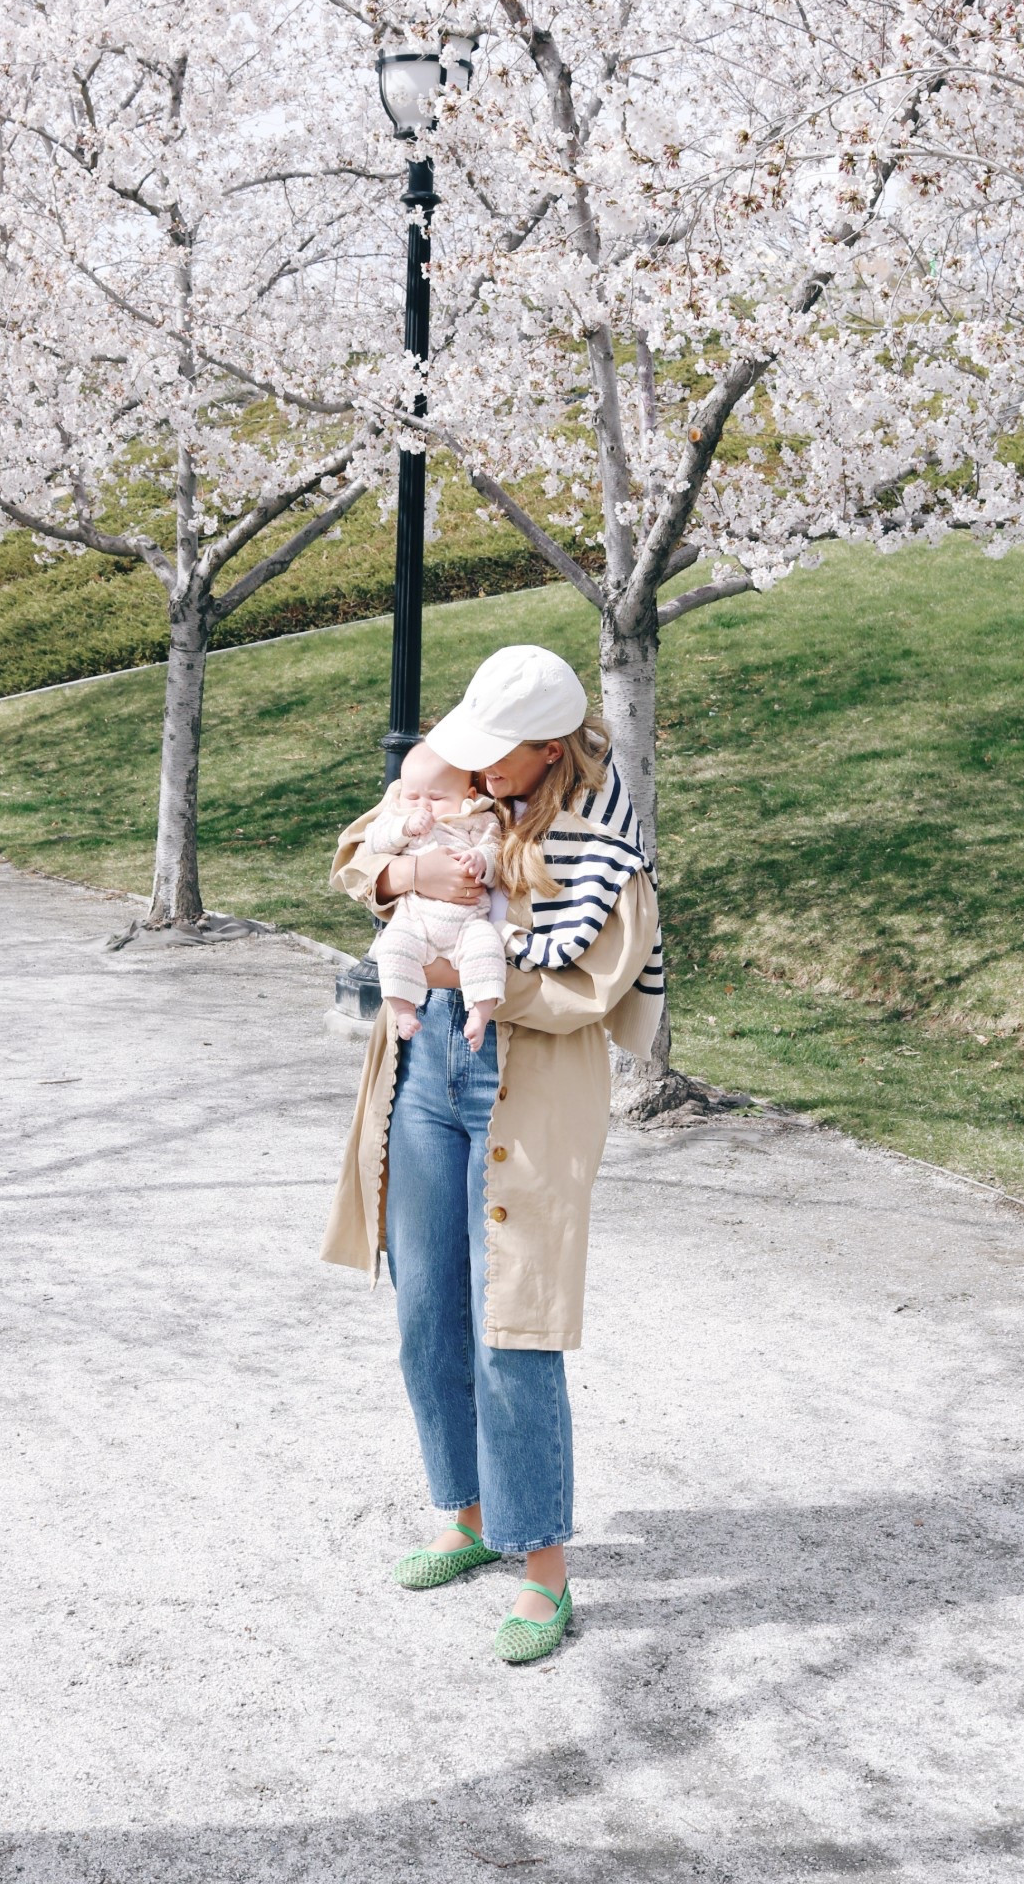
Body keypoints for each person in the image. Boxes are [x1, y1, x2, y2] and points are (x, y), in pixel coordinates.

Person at [324, 644, 664, 1664]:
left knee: (513, 1328)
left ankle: (541, 1563)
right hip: (420, 1070)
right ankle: (463, 1513)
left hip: (524, 1085)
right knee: (427, 1307)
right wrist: (404, 870)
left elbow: (589, 990)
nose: (477, 769)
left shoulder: (600, 838)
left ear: (549, 747)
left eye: (498, 756)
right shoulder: (456, 783)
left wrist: (458, 970)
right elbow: (354, 858)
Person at [363, 742, 504, 1051]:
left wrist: (482, 860)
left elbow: (496, 852)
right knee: (393, 946)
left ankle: (480, 1014)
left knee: (488, 949)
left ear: (467, 796)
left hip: (468, 921)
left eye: (437, 798)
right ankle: (403, 1009)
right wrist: (404, 827)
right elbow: (373, 842)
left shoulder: (479, 819)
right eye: (413, 796)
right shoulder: (401, 817)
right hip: (416, 918)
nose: (423, 806)